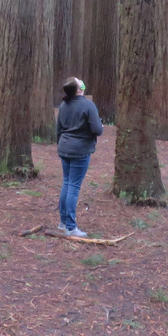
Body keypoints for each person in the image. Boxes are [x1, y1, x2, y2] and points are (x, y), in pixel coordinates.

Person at [56, 77, 103, 237]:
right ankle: (70, 227)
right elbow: (97, 129)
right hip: (80, 151)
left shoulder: (63, 105)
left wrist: (61, 145)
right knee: (73, 187)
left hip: (64, 148)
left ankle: (63, 223)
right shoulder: (88, 105)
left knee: (67, 183)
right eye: (79, 82)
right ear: (78, 89)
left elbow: (59, 129)